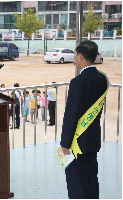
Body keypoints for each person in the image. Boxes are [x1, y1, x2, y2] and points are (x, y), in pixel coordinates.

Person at [60, 40, 108, 199]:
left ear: (81, 57)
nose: (74, 58)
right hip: (93, 138)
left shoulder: (78, 82)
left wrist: (65, 142)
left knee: (77, 182)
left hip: (77, 141)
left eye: (74, 55)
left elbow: (72, 114)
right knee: (91, 178)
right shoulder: (102, 78)